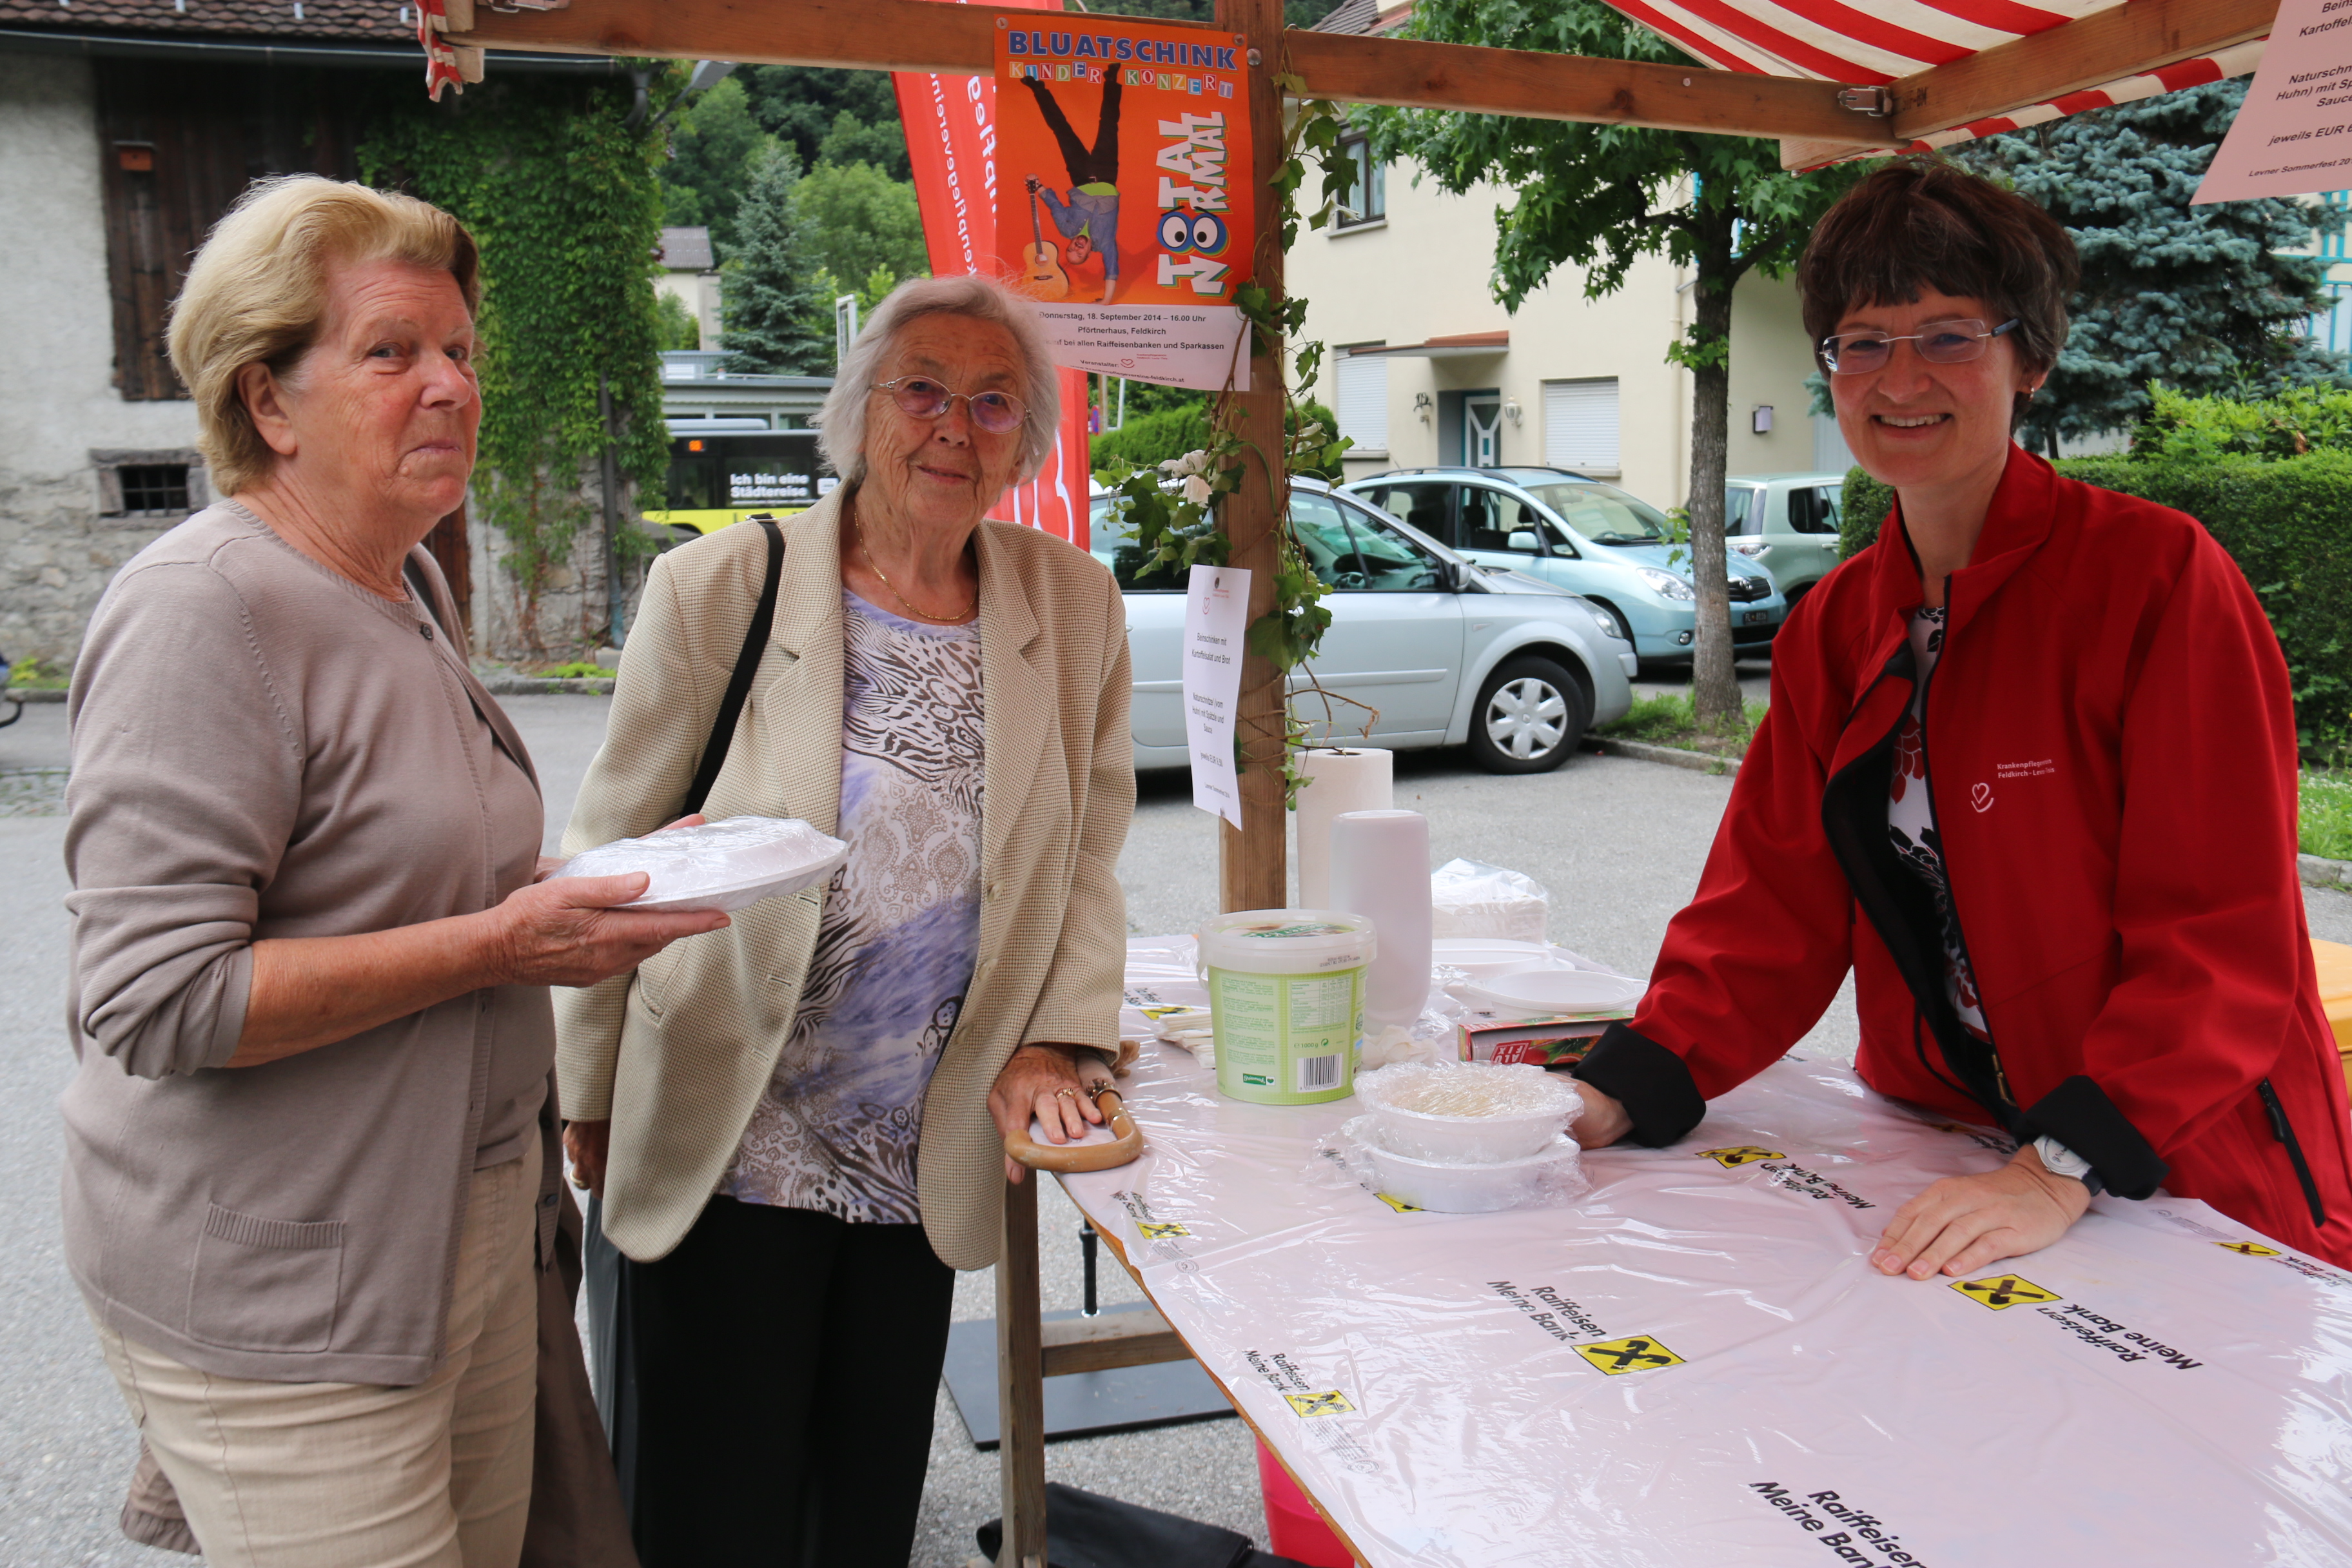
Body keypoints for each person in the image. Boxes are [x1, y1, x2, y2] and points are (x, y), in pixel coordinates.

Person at [63, 174, 724, 1567]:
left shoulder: (401, 577)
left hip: (463, 1231)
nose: (450, 385)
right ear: (268, 400)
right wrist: (503, 944)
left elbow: (405, 872)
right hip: (295, 1289)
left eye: (461, 350)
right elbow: (156, 997)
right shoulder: (203, 609)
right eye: (391, 350)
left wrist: (587, 884)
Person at [1567, 157, 2352, 1277]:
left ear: (2029, 357)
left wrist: (2060, 1165)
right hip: (1952, 1150)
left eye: (1948, 334)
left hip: (2178, 1164)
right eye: (1862, 341)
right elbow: (1771, 906)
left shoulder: (2157, 580)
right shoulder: (1835, 623)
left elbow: (2217, 937)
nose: (1900, 378)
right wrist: (1623, 1084)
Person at [556, 272, 1135, 1566]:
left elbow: (1089, 852)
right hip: (727, 1131)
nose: (953, 425)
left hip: (914, 1151)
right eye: (921, 388)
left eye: (993, 403)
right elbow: (612, 850)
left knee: (858, 1519)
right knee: (704, 1519)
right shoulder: (720, 586)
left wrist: (1057, 1037)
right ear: (861, 409)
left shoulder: (1071, 603)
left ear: (1026, 442)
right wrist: (584, 1085)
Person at [1021, 71, 1122, 303]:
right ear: (1089, 253)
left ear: (1068, 245)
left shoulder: (1066, 229)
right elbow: (1112, 269)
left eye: (1071, 250)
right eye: (1080, 254)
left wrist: (1037, 186)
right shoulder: (1105, 243)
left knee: (1062, 130)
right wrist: (1106, 301)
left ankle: (1038, 89)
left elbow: (1055, 205)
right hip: (1107, 173)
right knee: (1109, 125)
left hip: (1081, 175)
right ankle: (1111, 80)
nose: (1076, 249)